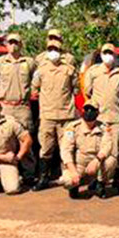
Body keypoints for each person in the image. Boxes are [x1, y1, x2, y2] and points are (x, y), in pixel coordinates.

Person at [31, 37, 79, 189]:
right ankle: (43, 178)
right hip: (47, 116)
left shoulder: (70, 70)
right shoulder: (41, 70)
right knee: (45, 148)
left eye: (56, 49)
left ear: (61, 52)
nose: (53, 52)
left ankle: (67, 177)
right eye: (50, 49)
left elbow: (76, 90)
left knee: (67, 148)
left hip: (66, 116)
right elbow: (34, 90)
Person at [0, 32, 37, 182]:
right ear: (6, 45)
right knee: (4, 140)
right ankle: (4, 173)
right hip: (5, 106)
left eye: (16, 42)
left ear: (21, 45)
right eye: (10, 42)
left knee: (26, 140)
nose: (13, 45)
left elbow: (35, 81)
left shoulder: (29, 62)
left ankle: (29, 173)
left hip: (23, 107)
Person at [61, 103, 117, 198]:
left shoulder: (103, 127)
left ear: (97, 113)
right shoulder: (73, 127)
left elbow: (107, 146)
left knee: (112, 160)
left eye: (92, 110)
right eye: (86, 110)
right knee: (67, 180)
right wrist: (73, 172)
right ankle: (75, 186)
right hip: (79, 164)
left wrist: (96, 160)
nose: (89, 112)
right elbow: (66, 150)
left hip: (97, 162)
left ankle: (100, 183)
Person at [82, 43, 119, 146]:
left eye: (110, 53)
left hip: (115, 116)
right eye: (105, 53)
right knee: (98, 146)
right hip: (98, 116)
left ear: (115, 55)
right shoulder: (93, 71)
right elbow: (87, 91)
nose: (108, 55)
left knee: (114, 147)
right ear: (101, 55)